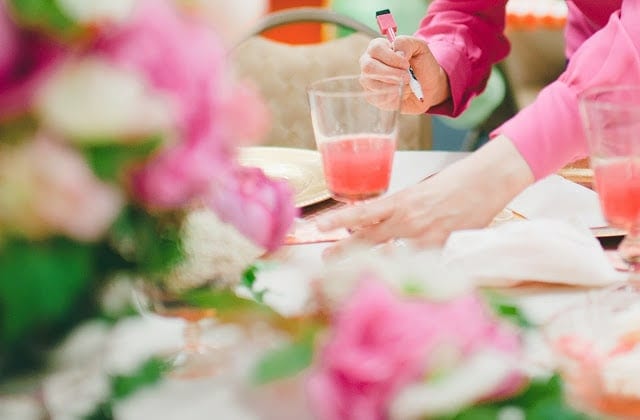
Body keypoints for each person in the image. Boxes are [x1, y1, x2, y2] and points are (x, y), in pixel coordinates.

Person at [315, 0, 640, 256]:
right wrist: (438, 71)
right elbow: (466, 11)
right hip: (589, 119)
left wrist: (489, 176)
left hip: (590, 101)